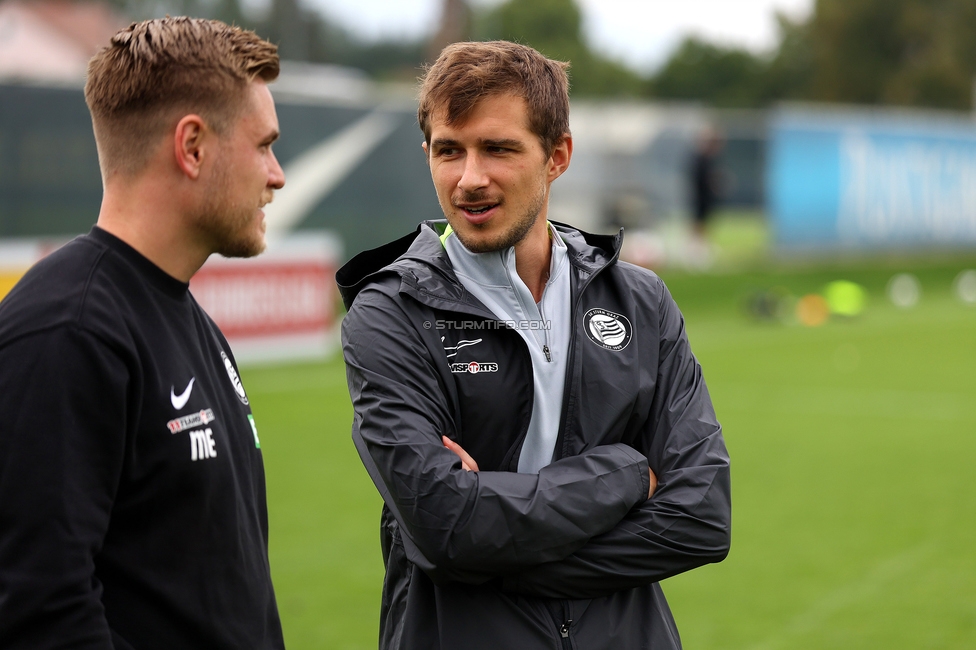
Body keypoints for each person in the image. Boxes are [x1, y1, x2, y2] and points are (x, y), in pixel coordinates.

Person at [338, 41, 731, 649]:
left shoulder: (641, 302)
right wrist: (627, 473)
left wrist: (492, 562)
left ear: (558, 155)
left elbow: (701, 517)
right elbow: (446, 524)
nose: (470, 178)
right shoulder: (390, 314)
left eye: (498, 148)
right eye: (449, 151)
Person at [0, 17, 286, 649]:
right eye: (264, 145)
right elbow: (40, 612)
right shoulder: (67, 333)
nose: (278, 174)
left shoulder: (191, 321)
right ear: (192, 147)